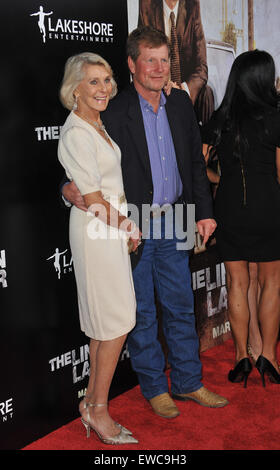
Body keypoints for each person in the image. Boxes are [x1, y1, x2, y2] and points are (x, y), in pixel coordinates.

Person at [62, 26, 229, 419]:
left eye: (163, 60)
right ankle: (155, 388)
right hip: (132, 223)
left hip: (178, 217)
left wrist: (205, 212)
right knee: (141, 311)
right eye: (149, 60)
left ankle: (189, 382)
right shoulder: (112, 109)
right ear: (132, 64)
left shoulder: (180, 104)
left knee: (181, 306)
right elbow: (86, 164)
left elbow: (193, 162)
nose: (157, 68)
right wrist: (68, 189)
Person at [58, 52, 140, 444]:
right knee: (116, 321)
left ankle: (92, 403)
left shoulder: (96, 126)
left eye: (107, 80)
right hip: (97, 230)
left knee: (107, 322)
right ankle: (99, 410)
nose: (104, 88)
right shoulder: (76, 133)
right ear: (74, 88)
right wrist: (126, 225)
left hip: (106, 228)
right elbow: (91, 197)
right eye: (93, 81)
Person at [201, 50, 280, 387]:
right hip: (269, 208)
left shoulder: (220, 120)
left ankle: (240, 358)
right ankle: (270, 359)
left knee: (237, 283)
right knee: (271, 285)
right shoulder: (277, 118)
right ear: (264, 79)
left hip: (231, 209)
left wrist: (223, 180)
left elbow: (198, 167)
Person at [138, 0, 214, 124]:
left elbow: (202, 67)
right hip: (159, 84)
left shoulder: (192, 5)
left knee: (207, 93)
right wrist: (163, 83)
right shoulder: (148, 5)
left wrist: (182, 89)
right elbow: (142, 58)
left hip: (184, 87)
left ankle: (205, 141)